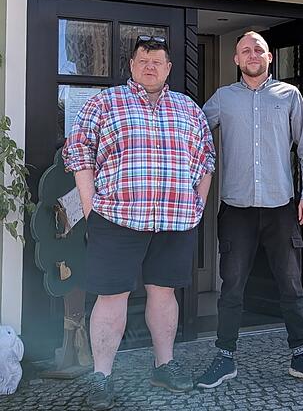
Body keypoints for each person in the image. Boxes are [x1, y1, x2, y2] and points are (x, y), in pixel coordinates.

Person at [63, 36, 215, 410]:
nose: (150, 66)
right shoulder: (105, 102)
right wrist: (89, 208)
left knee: (165, 293)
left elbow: (206, 158)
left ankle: (164, 365)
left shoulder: (188, 108)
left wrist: (197, 206)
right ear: (132, 66)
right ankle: (102, 376)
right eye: (143, 60)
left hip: (175, 220)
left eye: (158, 61)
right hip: (116, 218)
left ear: (168, 69)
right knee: (111, 296)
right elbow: (78, 150)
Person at [196, 31, 303, 389]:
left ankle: (300, 354)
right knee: (232, 286)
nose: (252, 54)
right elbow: (192, 135)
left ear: (269, 58)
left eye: (258, 49)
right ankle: (224, 358)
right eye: (245, 50)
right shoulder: (223, 99)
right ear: (236, 60)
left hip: (281, 208)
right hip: (236, 210)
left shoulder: (289, 96)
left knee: (291, 284)